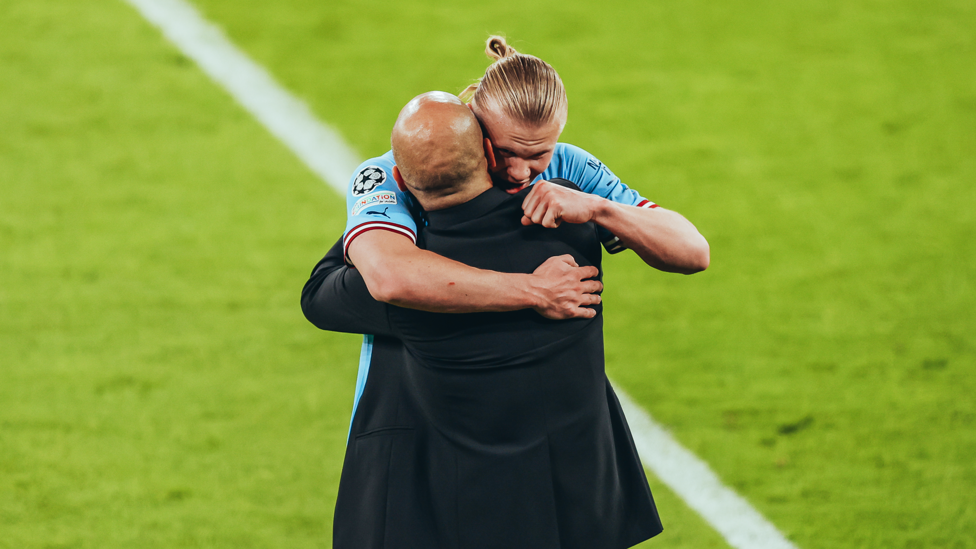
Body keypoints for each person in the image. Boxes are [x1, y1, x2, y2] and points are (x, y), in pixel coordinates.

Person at [304, 91, 663, 549]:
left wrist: (379, 208)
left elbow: (322, 293)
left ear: (399, 177)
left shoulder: (414, 289)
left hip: (449, 505)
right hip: (572, 502)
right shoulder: (571, 236)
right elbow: (692, 253)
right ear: (491, 155)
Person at [336, 36, 709, 449]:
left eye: (538, 155)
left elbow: (693, 252)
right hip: (417, 414)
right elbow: (389, 276)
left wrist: (601, 209)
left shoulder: (570, 167)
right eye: (505, 151)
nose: (519, 172)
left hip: (532, 421)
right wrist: (535, 291)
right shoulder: (403, 170)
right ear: (474, 120)